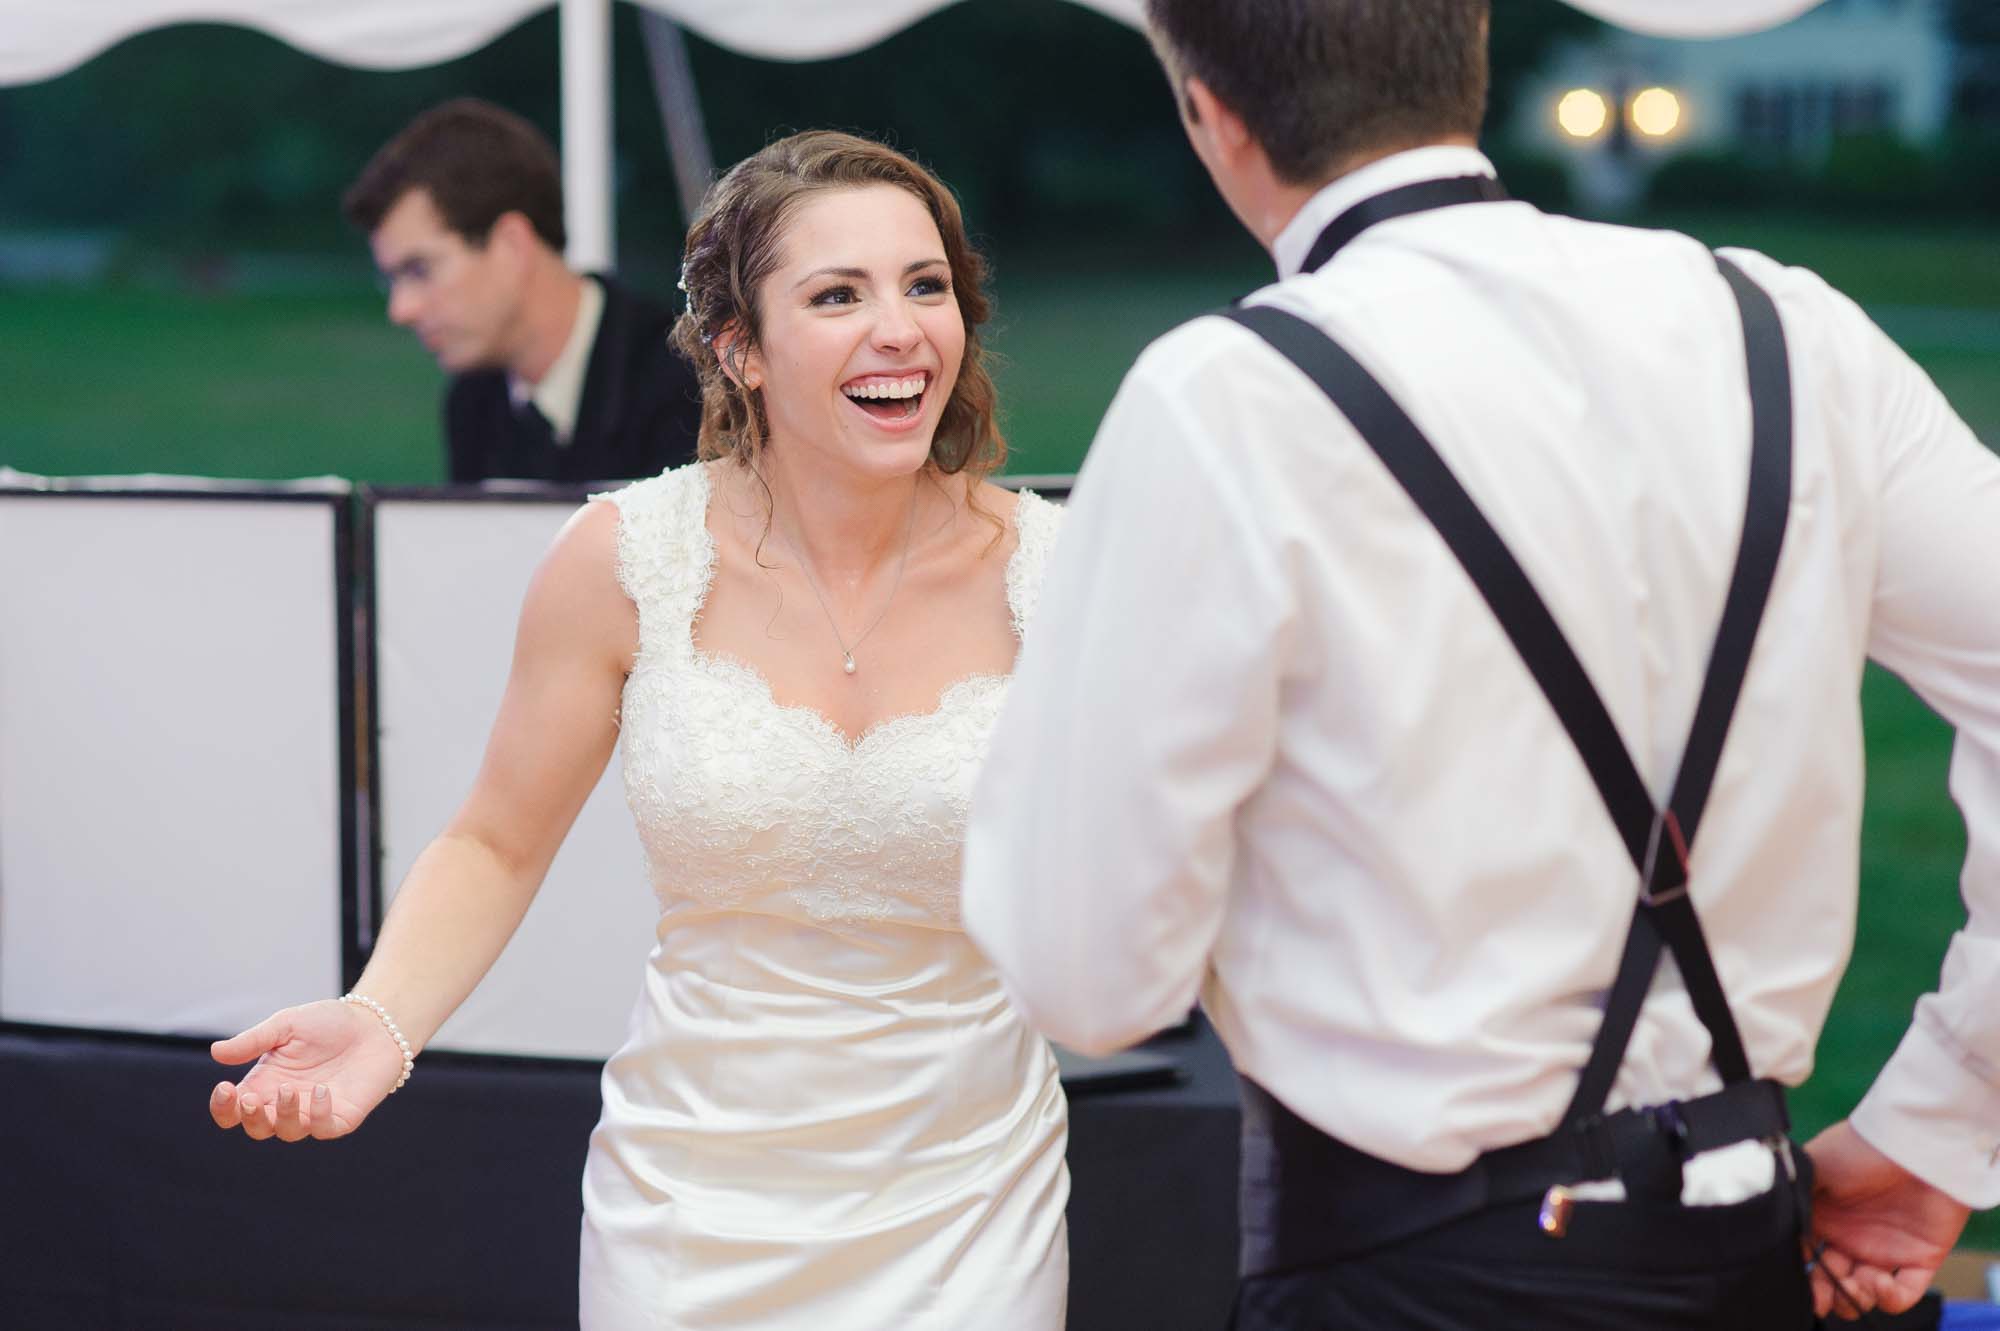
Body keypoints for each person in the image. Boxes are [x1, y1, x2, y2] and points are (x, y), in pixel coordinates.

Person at [961, 2, 2000, 1327]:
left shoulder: (1228, 396)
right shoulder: (1788, 331)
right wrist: (1938, 1120)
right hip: (1748, 1252)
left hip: (1402, 1273)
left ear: (1208, 111)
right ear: (1473, 54)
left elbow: (1088, 977)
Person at [212, 130, 1069, 1329]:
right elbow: (495, 842)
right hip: (693, 1210)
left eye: (925, 286)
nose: (901, 328)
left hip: (967, 1210)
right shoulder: (625, 558)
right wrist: (379, 1016)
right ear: (740, 349)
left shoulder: (1058, 575)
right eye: (837, 294)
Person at [342, 98, 701, 484]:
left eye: (419, 270)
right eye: (391, 280)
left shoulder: (687, 385)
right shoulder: (473, 403)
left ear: (512, 244)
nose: (400, 310)